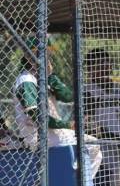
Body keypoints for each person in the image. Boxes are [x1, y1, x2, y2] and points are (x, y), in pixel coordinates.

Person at [13, 42, 102, 178]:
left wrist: (51, 76)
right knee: (92, 144)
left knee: (93, 147)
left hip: (53, 133)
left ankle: (77, 184)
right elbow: (37, 116)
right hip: (35, 135)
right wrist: (67, 125)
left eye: (47, 54)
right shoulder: (26, 80)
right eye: (40, 54)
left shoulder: (43, 77)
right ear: (29, 57)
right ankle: (75, 183)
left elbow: (68, 96)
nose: (46, 58)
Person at [83, 48, 120, 186]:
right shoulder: (87, 90)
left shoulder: (119, 91)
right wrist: (108, 134)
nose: (103, 67)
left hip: (118, 148)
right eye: (97, 64)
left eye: (106, 63)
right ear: (90, 69)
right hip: (97, 148)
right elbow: (87, 121)